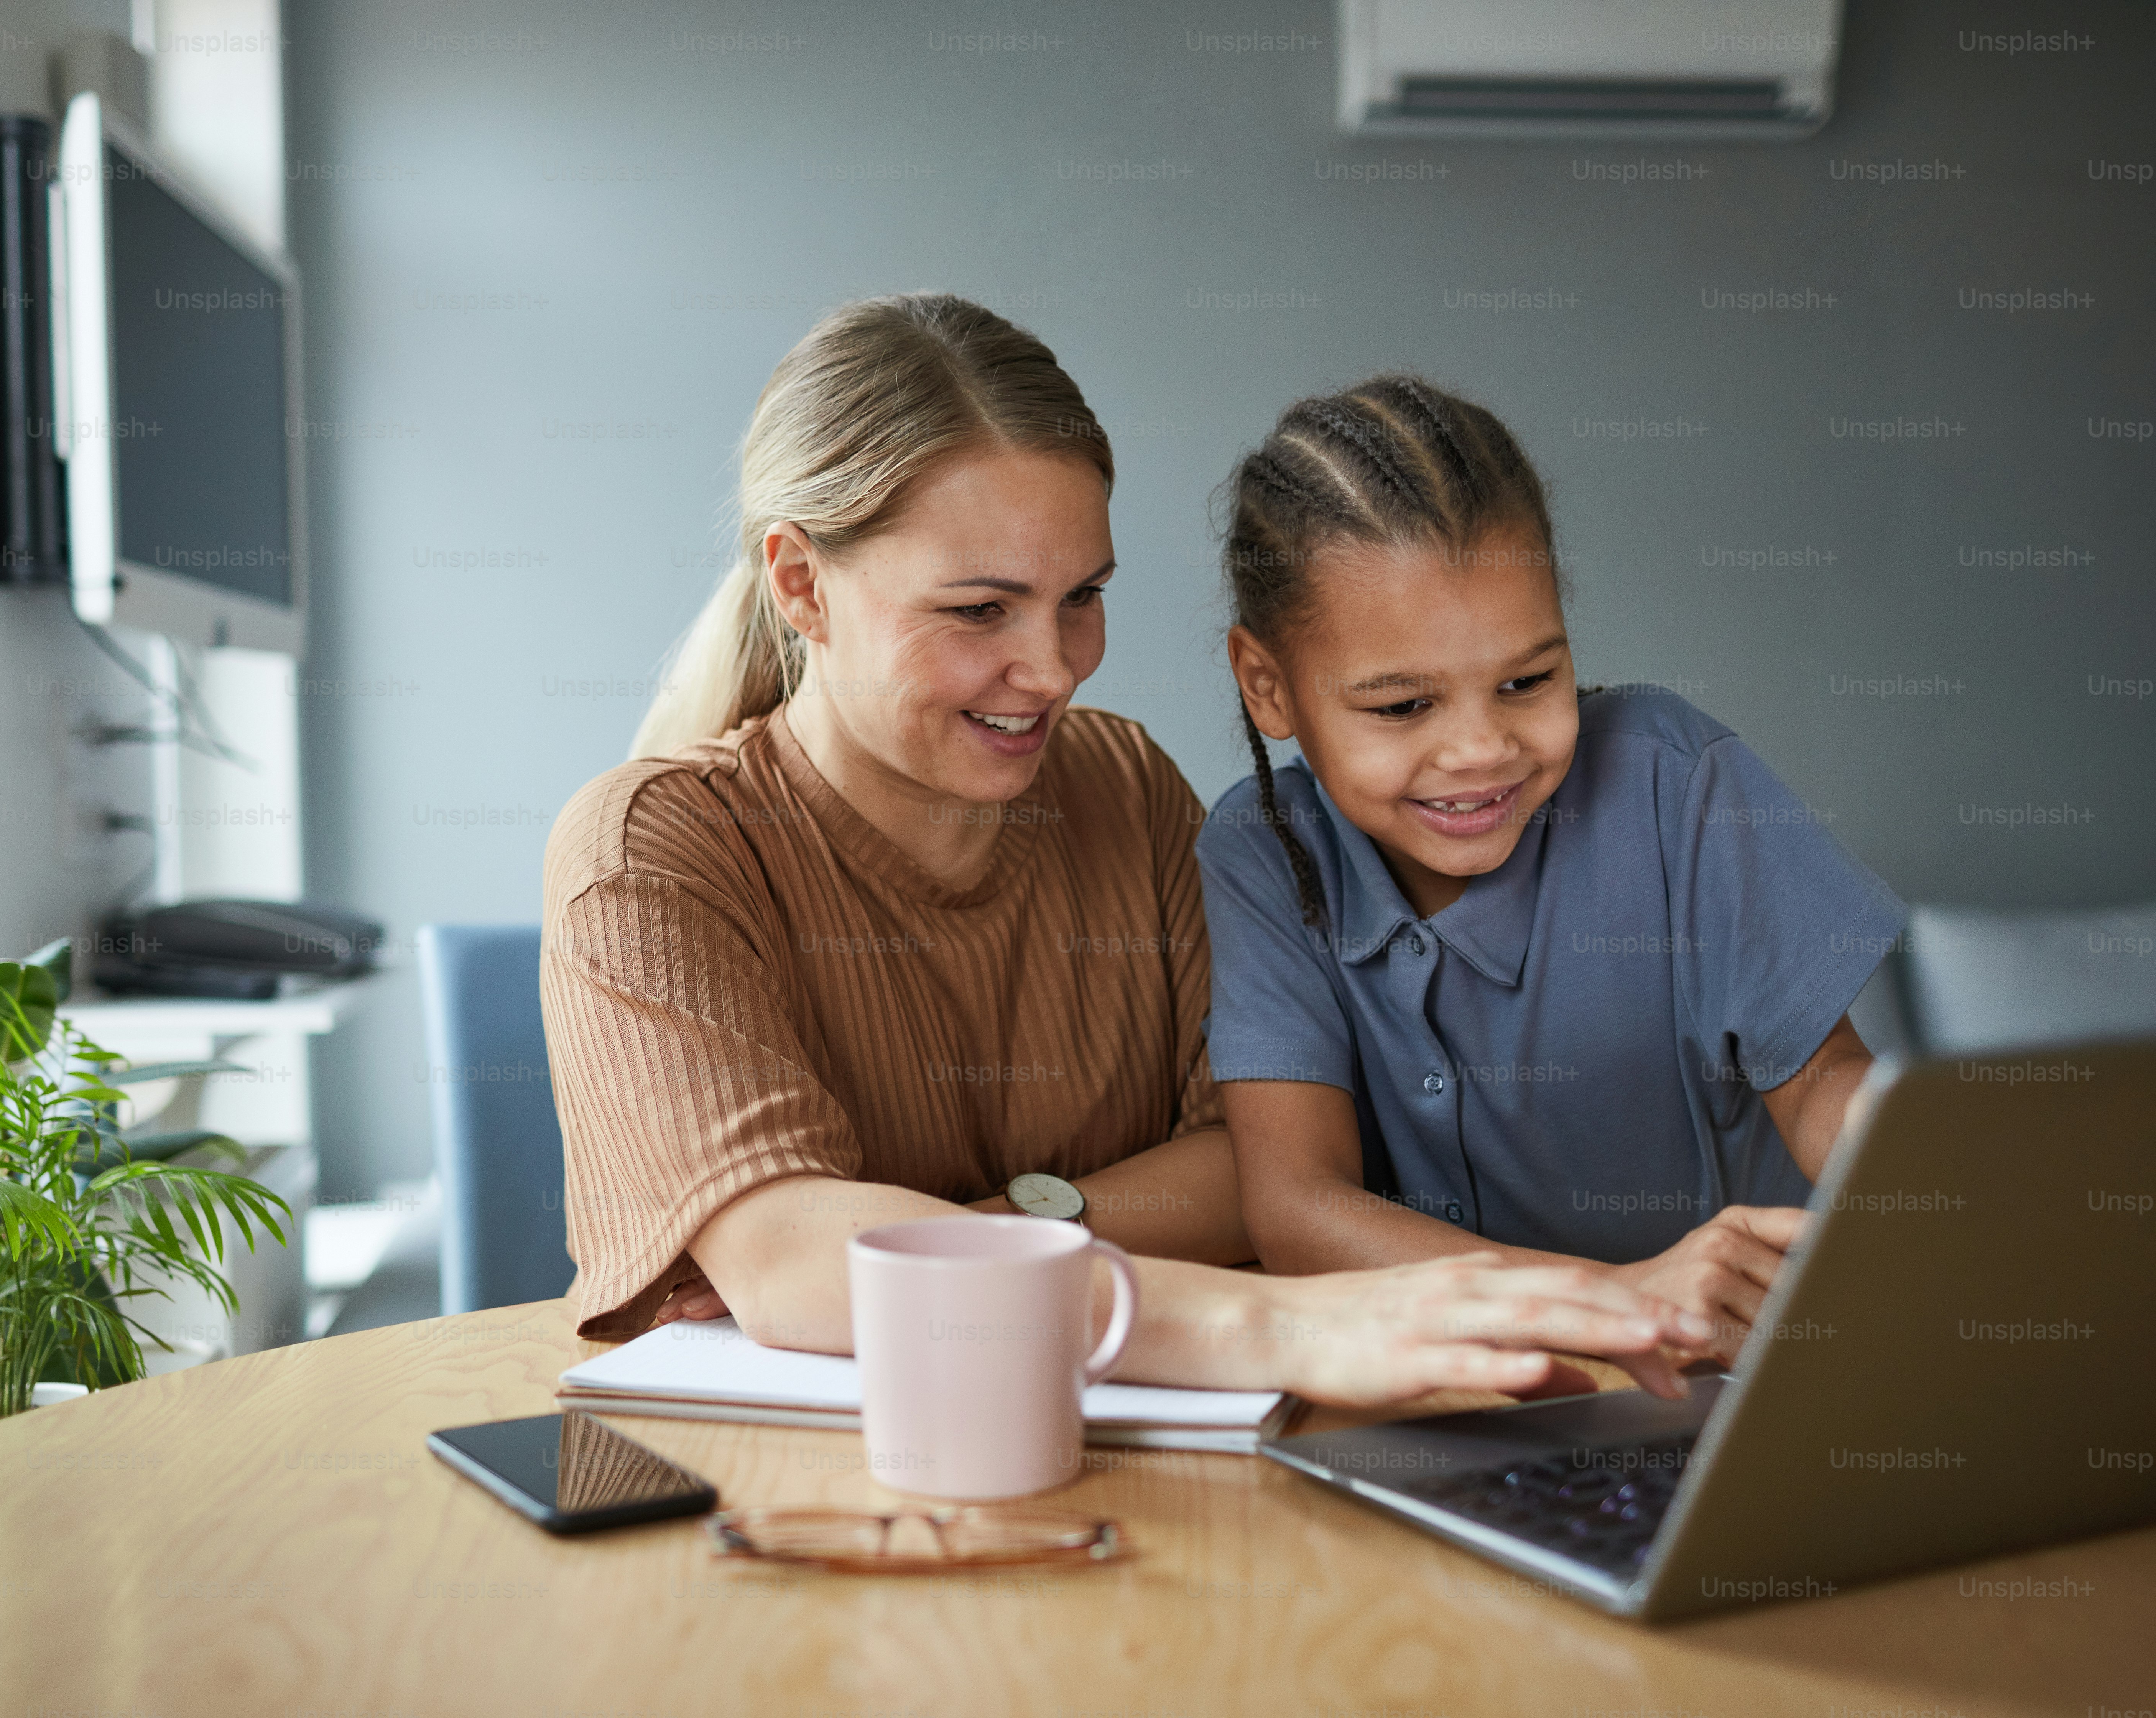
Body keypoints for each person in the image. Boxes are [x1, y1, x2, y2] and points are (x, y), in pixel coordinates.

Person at [540, 297, 1706, 1408]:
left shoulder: (1122, 784)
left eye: (1082, 597)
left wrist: (962, 1236)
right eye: (980, 612)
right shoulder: (649, 854)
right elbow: (796, 1265)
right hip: (807, 1511)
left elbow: (1243, 1172)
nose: (1053, 670)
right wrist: (1285, 1326)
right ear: (802, 581)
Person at [1198, 375, 1907, 1363]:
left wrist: (1925, 1167)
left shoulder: (1674, 779)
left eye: (1528, 681)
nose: (1482, 749)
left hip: (1753, 1380)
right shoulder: (1260, 853)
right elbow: (1298, 1208)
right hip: (1485, 1403)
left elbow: (1825, 1079)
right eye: (1404, 706)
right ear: (1267, 686)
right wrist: (1611, 1303)